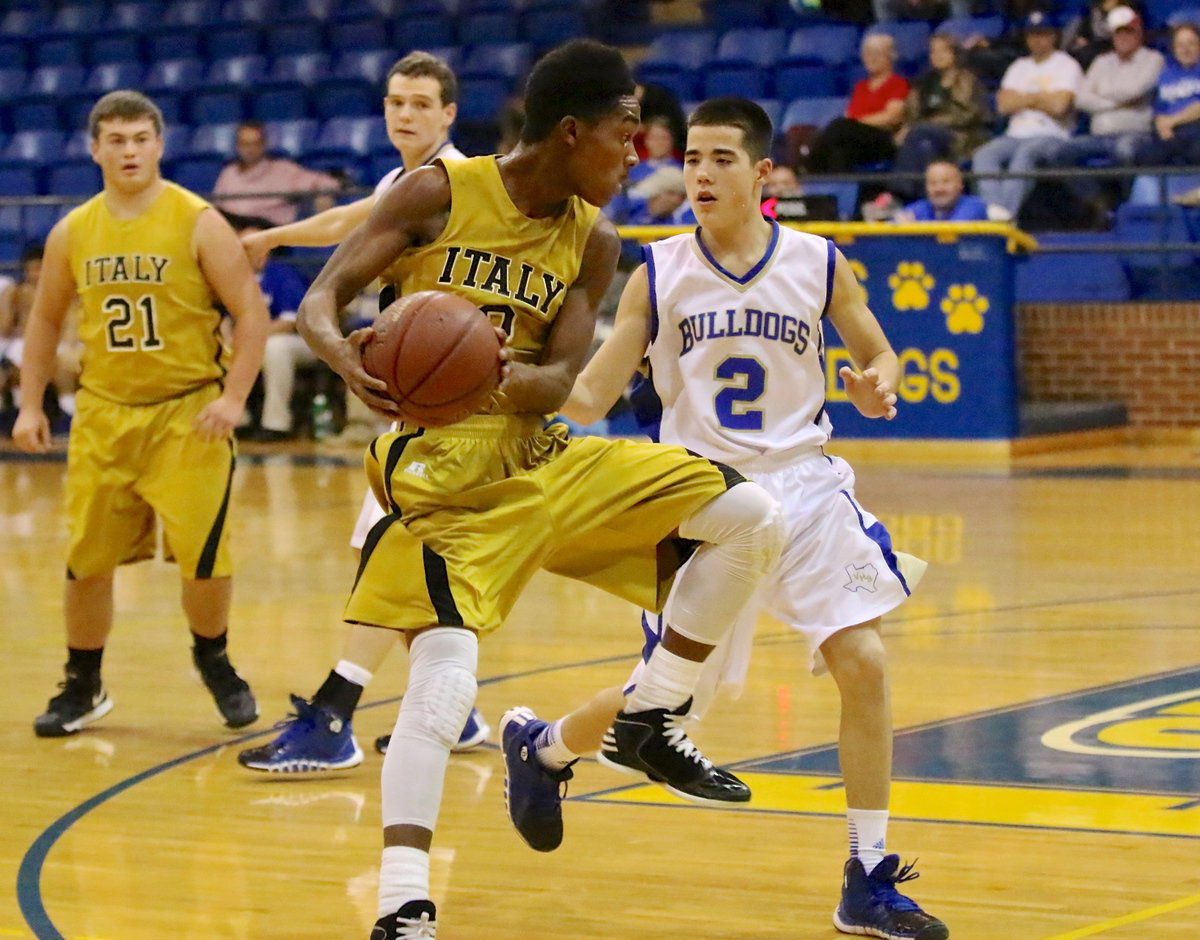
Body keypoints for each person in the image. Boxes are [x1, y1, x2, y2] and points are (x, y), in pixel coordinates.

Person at [294, 41, 783, 938]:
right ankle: (405, 904)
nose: (638, 156)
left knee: (751, 515)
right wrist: (346, 359)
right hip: (441, 468)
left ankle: (646, 717)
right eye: (625, 136)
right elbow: (321, 302)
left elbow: (560, 382)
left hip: (540, 449)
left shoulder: (594, 240)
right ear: (572, 131)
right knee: (444, 683)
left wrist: (487, 375)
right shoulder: (438, 192)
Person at [498, 96, 946, 940]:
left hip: (807, 487)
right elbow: (595, 389)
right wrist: (528, 403)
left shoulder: (817, 262)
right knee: (670, 707)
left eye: (721, 160)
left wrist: (878, 380)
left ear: (762, 173)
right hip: (705, 500)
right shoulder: (659, 271)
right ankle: (546, 748)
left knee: (865, 662)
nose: (700, 173)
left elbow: (875, 351)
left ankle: (868, 875)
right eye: (692, 159)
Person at [236, 51, 492, 776]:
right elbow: (358, 218)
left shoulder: (451, 188)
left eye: (419, 103)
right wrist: (279, 235)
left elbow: (366, 245)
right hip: (412, 399)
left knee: (389, 554)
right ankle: (459, 709)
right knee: (400, 561)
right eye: (394, 102)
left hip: (439, 405)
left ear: (448, 113)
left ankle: (334, 716)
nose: (403, 114)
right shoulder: (402, 182)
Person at [14, 90, 269, 737]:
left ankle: (214, 660)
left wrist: (234, 396)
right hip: (104, 415)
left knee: (204, 558)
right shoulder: (73, 229)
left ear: (159, 145)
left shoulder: (198, 219)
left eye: (139, 139)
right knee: (86, 560)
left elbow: (251, 313)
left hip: (187, 416)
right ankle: (83, 682)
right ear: (93, 148)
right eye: (116, 140)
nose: (129, 151)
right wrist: (28, 402)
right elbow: (44, 320)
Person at [971, 12, 1084, 221]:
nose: (1036, 39)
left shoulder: (1066, 65)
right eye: (1032, 34)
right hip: (1014, 135)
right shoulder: (1018, 66)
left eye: (1042, 33)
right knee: (984, 154)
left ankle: (1005, 218)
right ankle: (996, 212)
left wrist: (1023, 98)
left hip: (1052, 135)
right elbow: (1003, 106)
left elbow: (1059, 106)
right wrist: (1042, 98)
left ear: (1053, 36)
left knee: (1026, 153)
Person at [1049, 6, 1162, 169]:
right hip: (1098, 136)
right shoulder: (1101, 61)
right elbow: (1081, 99)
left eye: (1128, 32)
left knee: (1125, 151)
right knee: (1059, 153)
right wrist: (1117, 103)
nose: (1123, 37)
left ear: (1139, 34)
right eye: (1118, 33)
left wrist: (1100, 96)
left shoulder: (1153, 59)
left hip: (1135, 134)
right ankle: (1094, 195)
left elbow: (1134, 91)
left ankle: (1128, 194)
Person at [233, 225, 313, 442]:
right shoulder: (231, 278)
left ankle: (276, 424)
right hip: (250, 342)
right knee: (216, 345)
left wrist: (251, 338)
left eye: (248, 247)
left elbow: (290, 321)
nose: (241, 252)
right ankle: (238, 420)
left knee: (275, 347)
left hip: (297, 342)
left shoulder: (281, 273)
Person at [892, 32, 992, 200]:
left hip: (959, 136)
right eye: (933, 51)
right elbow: (912, 113)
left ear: (954, 54)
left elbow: (967, 115)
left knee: (919, 133)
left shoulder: (967, 80)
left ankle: (896, 194)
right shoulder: (924, 82)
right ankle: (924, 202)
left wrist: (920, 126)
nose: (936, 56)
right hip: (924, 137)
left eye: (942, 51)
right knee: (925, 148)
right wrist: (913, 126)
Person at [807, 33, 910, 176]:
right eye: (867, 54)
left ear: (890, 56)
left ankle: (808, 169)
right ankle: (833, 191)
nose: (870, 59)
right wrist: (852, 126)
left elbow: (892, 117)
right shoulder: (860, 87)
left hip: (882, 138)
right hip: (855, 139)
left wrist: (856, 124)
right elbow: (850, 116)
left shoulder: (898, 83)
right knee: (841, 151)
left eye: (877, 54)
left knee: (839, 126)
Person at [212, 120, 340, 229]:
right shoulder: (228, 172)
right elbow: (216, 206)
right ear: (237, 146)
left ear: (264, 144)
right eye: (245, 144)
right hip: (233, 225)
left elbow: (326, 182)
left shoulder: (284, 170)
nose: (250, 149)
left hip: (269, 230)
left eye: (255, 143)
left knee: (250, 236)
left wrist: (324, 194)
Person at [1135, 22, 1200, 168]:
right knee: (1141, 155)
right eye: (1180, 45)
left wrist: (1172, 121)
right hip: (1170, 133)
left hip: (1196, 130)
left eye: (1191, 44)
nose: (1186, 50)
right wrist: (1161, 125)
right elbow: (1159, 108)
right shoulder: (1166, 74)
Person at [895, 159, 989, 220]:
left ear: (960, 185)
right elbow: (897, 222)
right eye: (933, 183)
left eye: (946, 182)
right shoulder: (921, 207)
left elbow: (954, 230)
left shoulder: (974, 206)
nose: (939, 189)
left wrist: (914, 228)